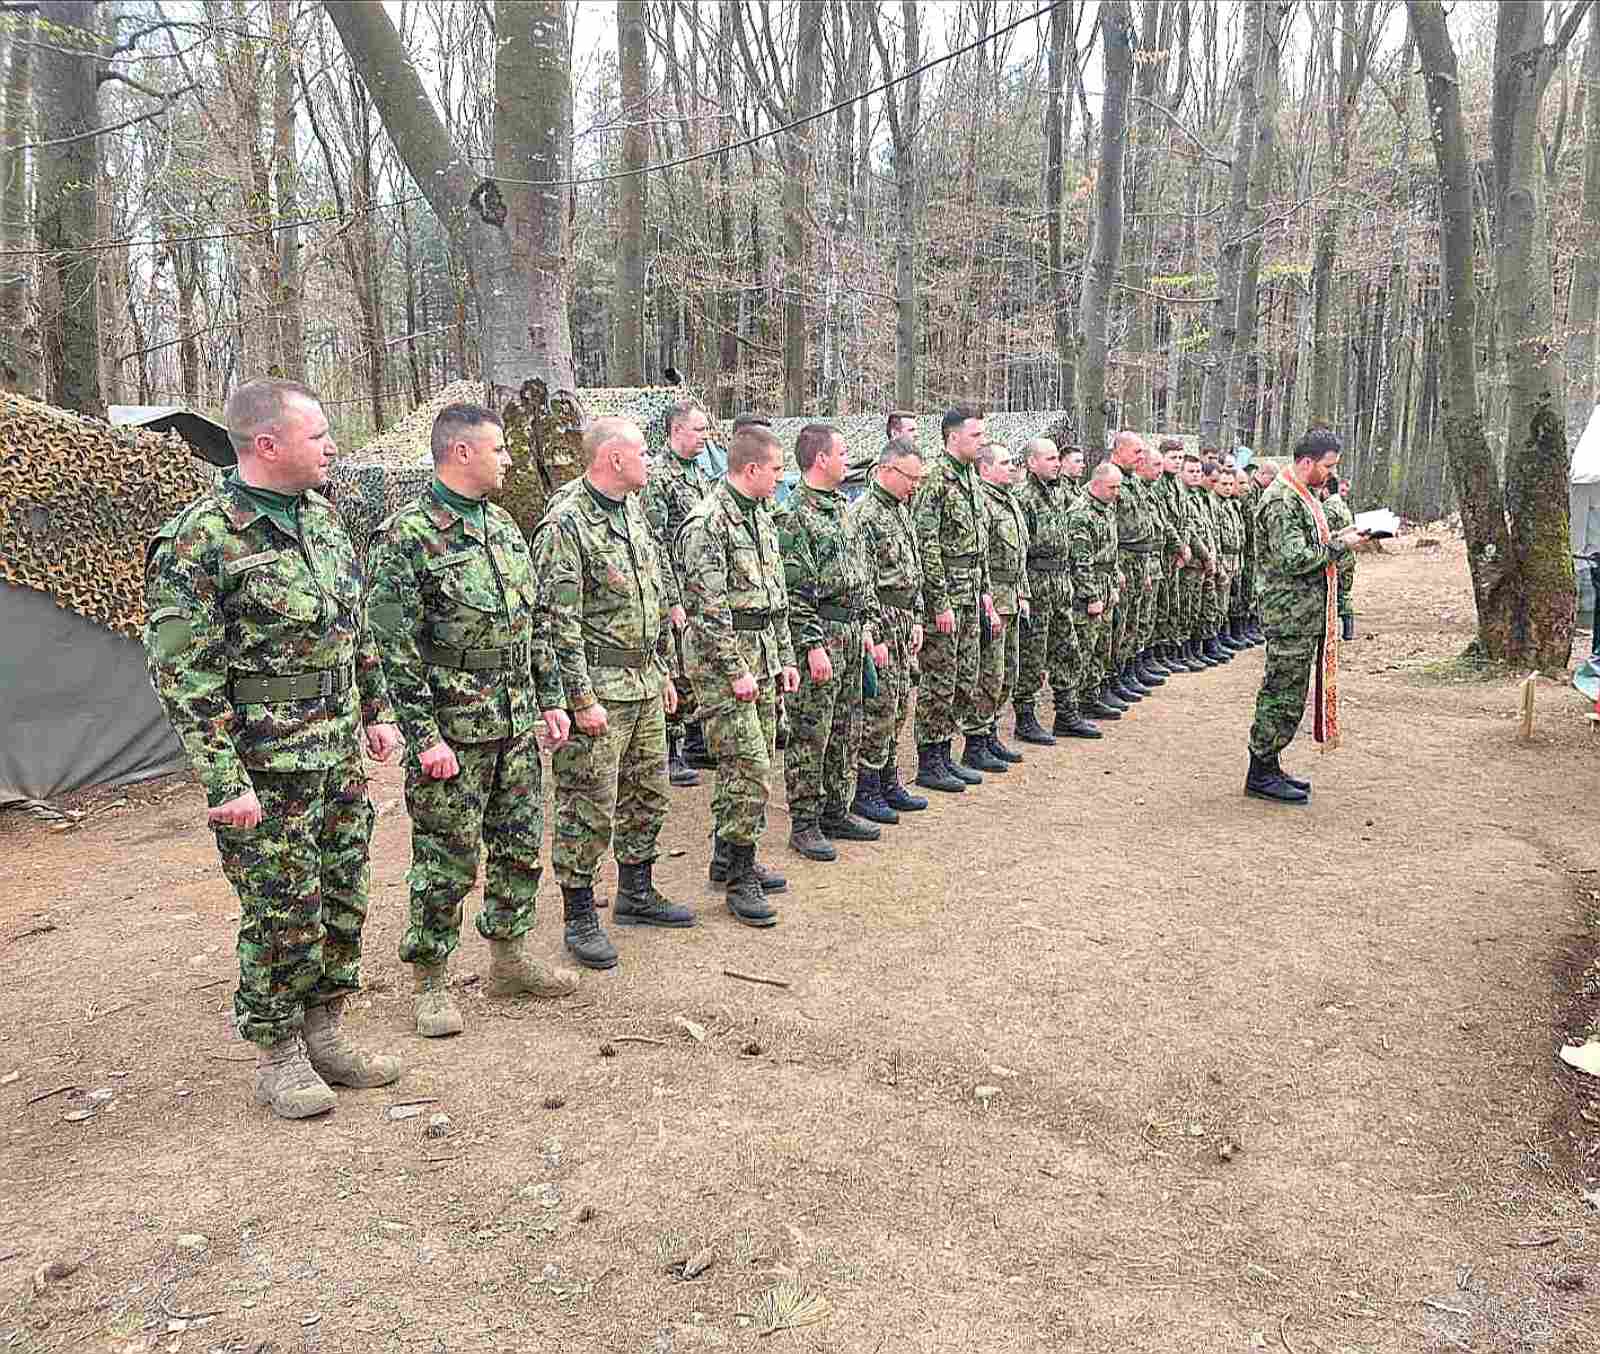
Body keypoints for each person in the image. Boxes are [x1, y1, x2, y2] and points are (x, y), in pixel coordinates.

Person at [144, 378, 402, 1119]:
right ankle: (277, 1051)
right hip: (264, 766)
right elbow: (182, 670)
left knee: (344, 896)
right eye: (318, 435)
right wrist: (226, 781)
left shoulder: (323, 519)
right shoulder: (201, 537)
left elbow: (354, 628)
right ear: (267, 445)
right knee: (280, 908)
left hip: (336, 756)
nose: (331, 446)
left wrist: (378, 711)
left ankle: (326, 1031)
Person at [367, 403, 579, 1036]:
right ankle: (430, 977)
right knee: (446, 857)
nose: (509, 459)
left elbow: (531, 623)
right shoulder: (406, 535)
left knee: (518, 846)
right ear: (460, 453)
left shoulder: (505, 528)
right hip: (453, 730)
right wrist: (423, 735)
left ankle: (510, 958)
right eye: (499, 449)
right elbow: (391, 646)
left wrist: (550, 698)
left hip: (514, 721)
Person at [534, 415, 695, 970]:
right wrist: (579, 698)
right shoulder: (567, 523)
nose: (651, 460)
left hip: (644, 681)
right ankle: (579, 914)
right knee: (587, 804)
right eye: (643, 453)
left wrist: (666, 673)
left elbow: (651, 601)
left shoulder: (633, 513)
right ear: (614, 459)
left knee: (648, 792)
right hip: (599, 688)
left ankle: (636, 891)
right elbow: (558, 621)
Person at [680, 422, 801, 922]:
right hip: (725, 664)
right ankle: (739, 878)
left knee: (751, 764)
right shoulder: (708, 522)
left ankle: (729, 854)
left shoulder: (760, 515)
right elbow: (708, 611)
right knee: (747, 765)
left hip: (762, 654)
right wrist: (735, 671)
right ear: (751, 469)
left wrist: (786, 657)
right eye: (775, 469)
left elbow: (774, 598)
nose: (780, 477)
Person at [1246, 427, 1366, 803]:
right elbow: (1293, 558)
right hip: (1288, 613)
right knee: (1281, 692)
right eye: (1327, 466)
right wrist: (1339, 545)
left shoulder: (1303, 495)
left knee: (1291, 692)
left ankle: (1270, 764)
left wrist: (1342, 535)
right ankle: (1261, 770)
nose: (1330, 473)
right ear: (1306, 462)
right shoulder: (1282, 499)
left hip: (1301, 612)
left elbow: (1309, 544)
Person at [778, 423, 880, 859]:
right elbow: (794, 590)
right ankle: (805, 820)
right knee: (811, 731)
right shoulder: (795, 514)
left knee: (847, 724)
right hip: (821, 633)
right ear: (820, 458)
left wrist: (870, 625)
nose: (847, 459)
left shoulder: (841, 509)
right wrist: (811, 644)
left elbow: (863, 572)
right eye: (842, 452)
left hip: (852, 631)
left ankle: (837, 806)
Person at [912, 405, 1002, 786]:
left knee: (965, 677)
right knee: (940, 680)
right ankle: (930, 759)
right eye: (976, 436)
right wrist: (940, 602)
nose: (982, 443)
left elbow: (979, 546)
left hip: (971, 593)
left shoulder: (970, 480)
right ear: (952, 437)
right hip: (946, 595)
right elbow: (926, 544)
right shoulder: (936, 479)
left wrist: (984, 595)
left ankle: (945, 753)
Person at [848, 437, 932, 811]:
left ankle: (888, 779)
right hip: (880, 617)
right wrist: (873, 634)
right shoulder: (865, 514)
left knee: (898, 702)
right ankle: (866, 788)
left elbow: (911, 570)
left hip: (902, 618)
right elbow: (863, 580)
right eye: (909, 477)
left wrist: (915, 618)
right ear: (886, 470)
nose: (914, 485)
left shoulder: (900, 509)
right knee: (878, 706)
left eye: (918, 479)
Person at [641, 400, 715, 784]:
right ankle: (671, 749)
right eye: (699, 430)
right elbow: (656, 543)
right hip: (675, 591)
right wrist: (671, 599)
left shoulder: (699, 475)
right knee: (674, 669)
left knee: (698, 666)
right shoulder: (659, 478)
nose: (705, 437)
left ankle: (697, 741)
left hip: (699, 589)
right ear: (676, 431)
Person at [1014, 437, 1097, 742]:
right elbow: (1018, 551)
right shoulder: (1023, 498)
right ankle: (1025, 717)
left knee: (1067, 648)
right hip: (1036, 582)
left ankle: (1067, 712)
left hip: (1061, 584)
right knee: (1033, 654)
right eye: (1049, 459)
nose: (1056, 463)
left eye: (1056, 458)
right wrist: (1022, 591)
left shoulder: (1060, 492)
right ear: (1032, 462)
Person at [974, 442, 1029, 767]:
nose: (1011, 467)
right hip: (992, 597)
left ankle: (991, 732)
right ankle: (977, 740)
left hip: (1011, 597)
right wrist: (988, 603)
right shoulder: (983, 503)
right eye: (1005, 462)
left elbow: (1018, 554)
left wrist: (1023, 593)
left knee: (1008, 672)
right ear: (986, 468)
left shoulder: (1008, 501)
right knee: (989, 674)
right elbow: (981, 557)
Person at [1065, 462, 1124, 724]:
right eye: (1112, 487)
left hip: (1105, 582)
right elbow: (1080, 561)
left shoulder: (1106, 507)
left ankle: (1091, 696)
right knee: (1084, 649)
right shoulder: (1081, 513)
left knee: (1102, 645)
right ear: (1096, 484)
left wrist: (1115, 574)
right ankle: (1072, 707)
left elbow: (1109, 546)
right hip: (1088, 588)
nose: (1116, 492)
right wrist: (1090, 596)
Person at [1108, 432, 1163, 701]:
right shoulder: (1112, 481)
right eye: (1136, 452)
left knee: (1133, 622)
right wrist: (1115, 568)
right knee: (1117, 626)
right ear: (1119, 450)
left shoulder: (1135, 483)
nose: (1141, 458)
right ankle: (1111, 678)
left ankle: (1126, 671)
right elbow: (1108, 531)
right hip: (1123, 559)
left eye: (1143, 453)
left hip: (1140, 560)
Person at [1321, 474, 1358, 640]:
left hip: (1339, 555)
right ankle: (1348, 630)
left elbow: (1325, 533)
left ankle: (1337, 630)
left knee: (1336, 593)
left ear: (1326, 490)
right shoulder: (1341, 504)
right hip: (1348, 554)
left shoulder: (1329, 506)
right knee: (1345, 591)